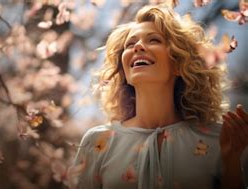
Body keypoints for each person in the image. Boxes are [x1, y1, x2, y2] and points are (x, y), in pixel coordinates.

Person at [74, 4, 248, 189]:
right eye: (130, 44)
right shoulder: (97, 142)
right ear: (124, 69)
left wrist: (231, 163)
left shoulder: (220, 140)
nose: (138, 47)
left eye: (154, 40)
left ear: (179, 64)